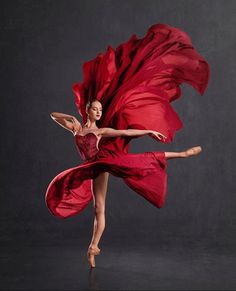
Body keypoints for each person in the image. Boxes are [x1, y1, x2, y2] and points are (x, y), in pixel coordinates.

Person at [45, 23, 210, 268]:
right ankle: (93, 247)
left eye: (101, 110)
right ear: (89, 109)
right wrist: (73, 120)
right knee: (98, 209)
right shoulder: (78, 128)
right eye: (96, 109)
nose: (99, 112)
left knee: (137, 162)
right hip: (90, 166)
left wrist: (149, 130)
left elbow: (125, 130)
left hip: (102, 164)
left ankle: (182, 154)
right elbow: (53, 115)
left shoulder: (100, 130)